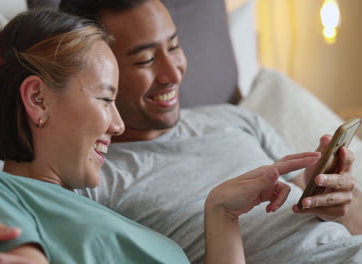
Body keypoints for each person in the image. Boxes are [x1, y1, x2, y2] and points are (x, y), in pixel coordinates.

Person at [0, 6, 325, 264]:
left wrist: (221, 213)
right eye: (107, 99)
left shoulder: (108, 218)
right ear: (38, 100)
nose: (119, 124)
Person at [57, 0, 362, 263]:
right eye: (146, 60)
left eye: (174, 46)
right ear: (97, 71)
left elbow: (355, 226)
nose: (173, 73)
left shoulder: (236, 119)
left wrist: (339, 205)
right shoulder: (93, 180)